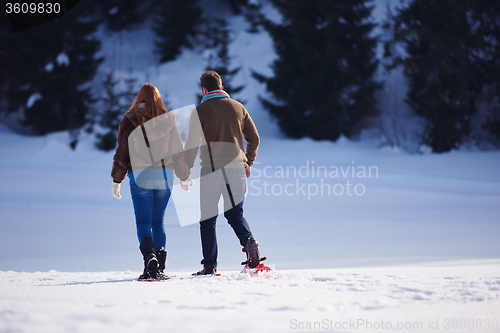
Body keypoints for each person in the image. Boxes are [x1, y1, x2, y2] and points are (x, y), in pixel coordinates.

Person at [111, 83, 193, 280]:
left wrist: (117, 179)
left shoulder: (130, 119)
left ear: (139, 98)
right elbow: (177, 151)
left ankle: (150, 260)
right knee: (158, 221)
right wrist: (184, 176)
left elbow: (122, 152)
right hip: (165, 176)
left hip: (141, 176)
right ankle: (160, 267)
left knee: (143, 221)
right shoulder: (169, 119)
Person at [184, 70, 262, 275]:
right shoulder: (238, 107)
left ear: (204, 89)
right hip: (237, 169)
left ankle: (209, 266)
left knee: (208, 219)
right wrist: (249, 162)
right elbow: (254, 138)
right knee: (235, 214)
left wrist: (185, 174)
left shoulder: (200, 111)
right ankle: (249, 242)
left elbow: (191, 147)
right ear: (221, 86)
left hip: (211, 170)